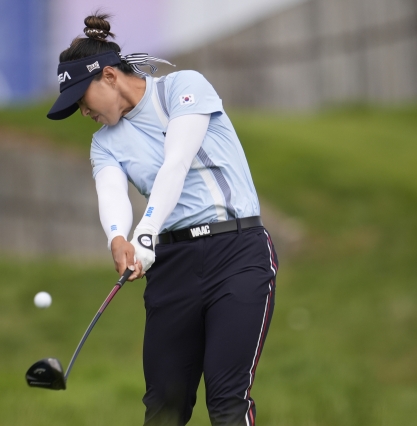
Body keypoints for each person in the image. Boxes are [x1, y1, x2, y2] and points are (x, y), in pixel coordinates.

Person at [47, 13, 279, 426]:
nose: (83, 112)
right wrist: (118, 239)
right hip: (173, 268)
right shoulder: (104, 144)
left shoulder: (182, 88)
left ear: (110, 78)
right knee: (164, 407)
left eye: (83, 99)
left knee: (227, 400)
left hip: (237, 253)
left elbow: (177, 164)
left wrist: (146, 232)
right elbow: (112, 193)